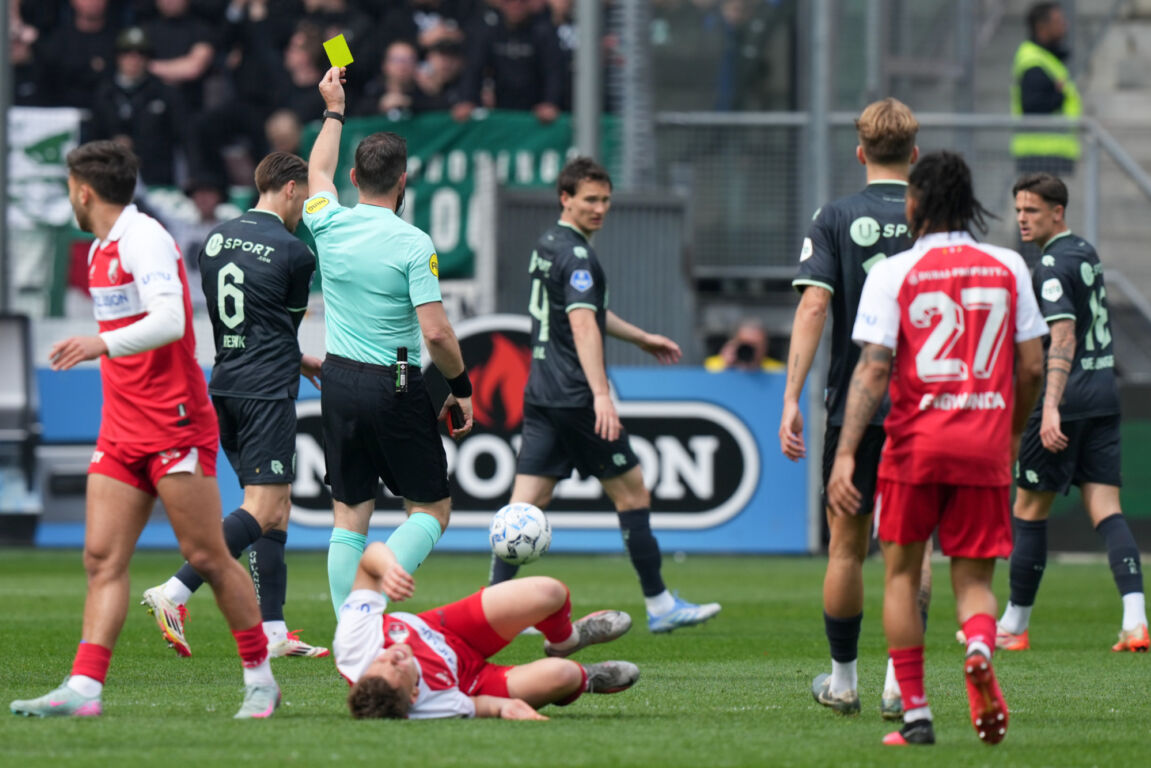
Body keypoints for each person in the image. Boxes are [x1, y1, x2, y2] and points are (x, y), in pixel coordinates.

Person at [9, 141, 281, 719]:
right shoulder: (105, 246)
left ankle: (260, 678)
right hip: (122, 427)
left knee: (207, 555)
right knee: (101, 558)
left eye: (68, 188)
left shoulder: (144, 237)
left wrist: (99, 343)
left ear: (83, 190)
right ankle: (85, 690)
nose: (69, 198)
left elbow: (172, 319)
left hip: (173, 422)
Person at [828, 150, 1047, 746]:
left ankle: (917, 715)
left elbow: (872, 370)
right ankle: (979, 645)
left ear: (915, 203)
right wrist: (1007, 431)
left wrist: (847, 452)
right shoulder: (1007, 266)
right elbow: (1031, 365)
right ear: (969, 202)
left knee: (900, 574)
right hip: (983, 445)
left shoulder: (893, 273)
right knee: (973, 582)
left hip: (914, 446)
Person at [488, 156, 720, 633]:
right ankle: (660, 604)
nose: (600, 208)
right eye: (590, 200)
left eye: (606, 200)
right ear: (565, 198)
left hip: (542, 391)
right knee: (633, 493)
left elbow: (588, 313)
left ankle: (494, 606)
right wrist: (602, 396)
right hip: (575, 397)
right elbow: (582, 325)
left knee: (524, 506)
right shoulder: (577, 256)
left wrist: (640, 338)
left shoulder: (548, 244)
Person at [140, 152, 330, 660]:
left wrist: (299, 359)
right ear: (290, 189)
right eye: (306, 196)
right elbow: (282, 326)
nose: (306, 206)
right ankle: (174, 592)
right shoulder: (295, 252)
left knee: (276, 507)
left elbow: (248, 322)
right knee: (263, 506)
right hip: (267, 391)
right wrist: (295, 358)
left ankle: (274, 631)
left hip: (225, 383)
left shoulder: (217, 238)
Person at [305, 66, 474, 614]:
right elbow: (436, 332)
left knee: (349, 513)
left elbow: (316, 170)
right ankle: (370, 601)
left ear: (356, 178)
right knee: (430, 511)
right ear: (402, 182)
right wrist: (461, 386)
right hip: (393, 382)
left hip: (337, 378)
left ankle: (346, 628)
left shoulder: (327, 222)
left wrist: (334, 109)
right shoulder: (412, 242)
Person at [778, 97, 927, 719]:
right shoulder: (935, 217)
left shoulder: (835, 216)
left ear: (860, 152)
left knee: (846, 547)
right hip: (925, 408)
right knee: (910, 550)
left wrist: (791, 397)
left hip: (856, 408)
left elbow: (814, 307)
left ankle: (843, 682)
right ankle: (901, 684)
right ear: (914, 154)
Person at [997, 173, 1147, 652]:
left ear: (1057, 212)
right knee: (1106, 509)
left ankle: (1014, 627)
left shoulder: (1050, 266)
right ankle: (1135, 620)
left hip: (1069, 397)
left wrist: (1051, 408)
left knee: (1028, 508)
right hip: (1104, 391)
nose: (1023, 219)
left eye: (1033, 211)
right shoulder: (1084, 251)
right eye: (1019, 210)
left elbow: (1062, 339)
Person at [335, 541, 639, 719]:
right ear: (414, 693)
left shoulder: (354, 644)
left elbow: (371, 555)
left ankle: (566, 640)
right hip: (472, 681)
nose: (393, 655)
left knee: (549, 593)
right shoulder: (429, 706)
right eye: (398, 667)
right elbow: (480, 705)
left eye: (382, 661)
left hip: (444, 628)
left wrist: (388, 570)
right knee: (565, 675)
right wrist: (507, 709)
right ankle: (587, 678)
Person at [1012, 3, 1080, 177]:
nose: (1064, 25)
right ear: (1041, 27)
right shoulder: (1034, 60)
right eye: (1058, 21)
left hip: (1050, 155)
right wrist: (1059, 95)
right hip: (1040, 156)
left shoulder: (1047, 58)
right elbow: (1033, 105)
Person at [703, 319, 783, 372]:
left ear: (765, 347)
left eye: (756, 345)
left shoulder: (777, 372)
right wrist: (726, 366)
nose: (749, 349)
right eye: (745, 344)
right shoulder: (712, 366)